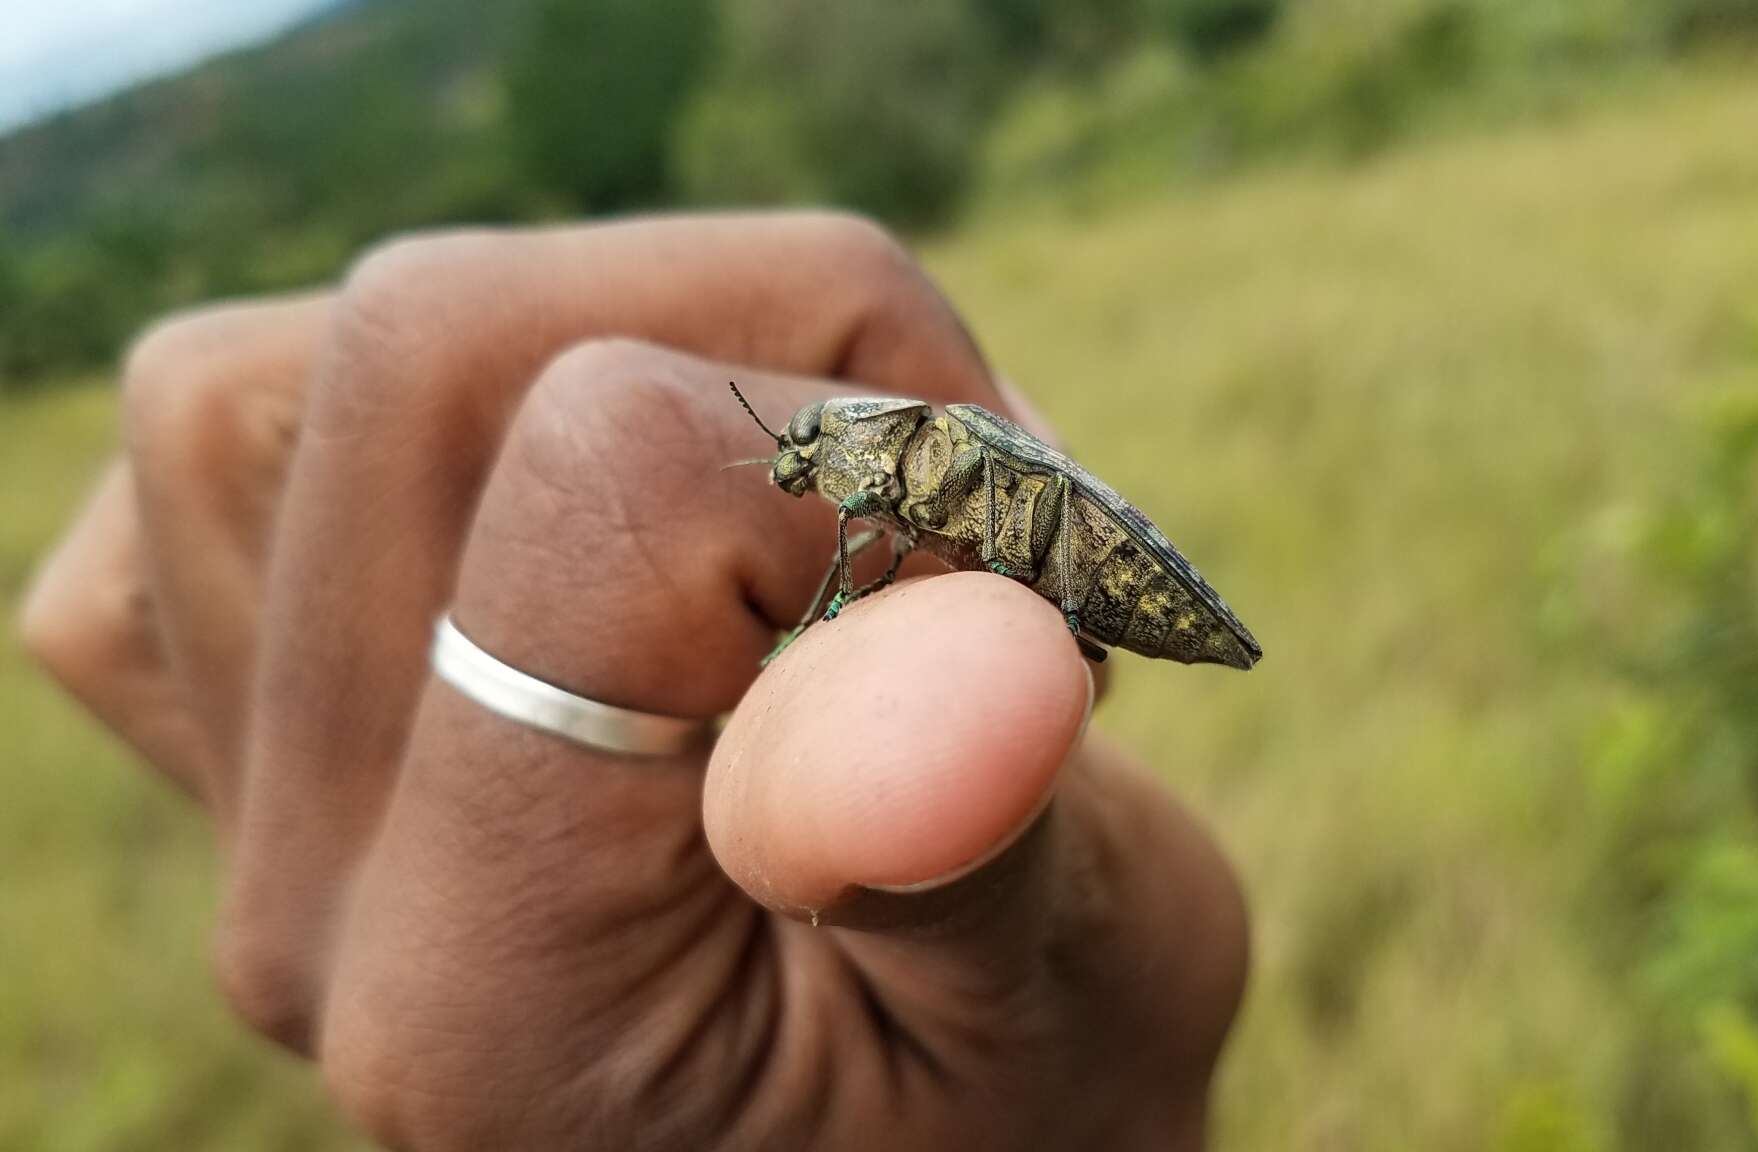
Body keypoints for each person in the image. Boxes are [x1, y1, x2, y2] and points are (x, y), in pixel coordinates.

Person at [18, 212, 1249, 1150]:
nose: (802, 468)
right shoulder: (892, 469)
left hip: (1086, 553)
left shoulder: (906, 464)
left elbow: (907, 527)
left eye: (809, 454)